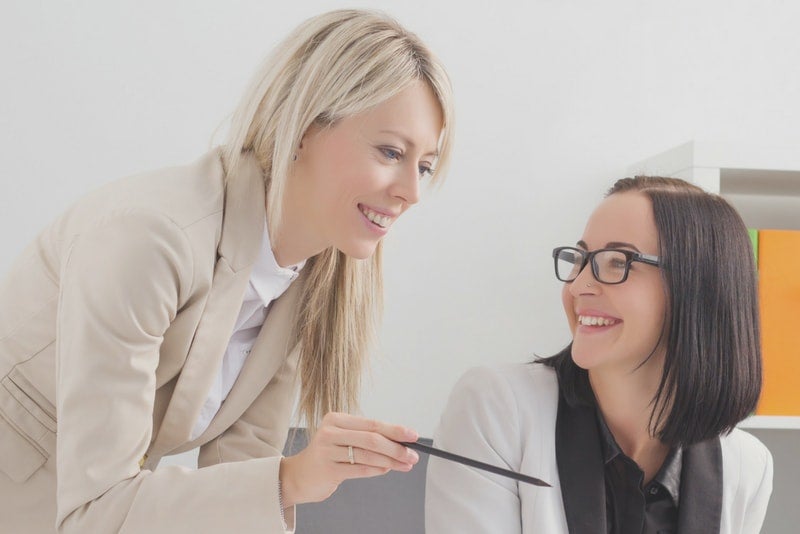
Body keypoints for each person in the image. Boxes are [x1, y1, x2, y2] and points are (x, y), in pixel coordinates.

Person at [0, 9, 454, 533]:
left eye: (424, 166)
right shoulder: (150, 240)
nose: (412, 192)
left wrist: (284, 481)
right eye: (391, 152)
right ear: (304, 128)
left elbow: (241, 481)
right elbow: (96, 512)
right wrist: (293, 476)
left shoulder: (306, 279)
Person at [425, 176, 772, 533]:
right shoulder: (496, 408)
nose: (578, 286)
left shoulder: (746, 465)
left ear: (698, 288)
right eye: (581, 259)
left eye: (616, 263)